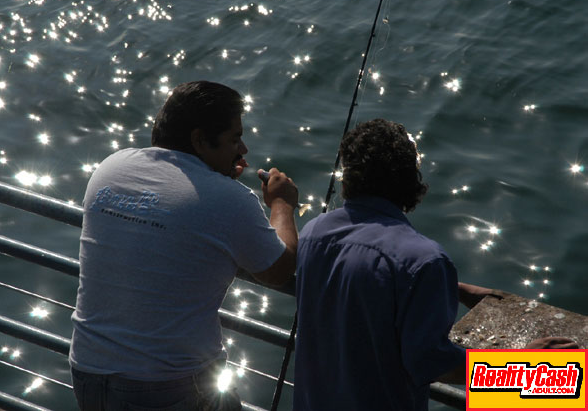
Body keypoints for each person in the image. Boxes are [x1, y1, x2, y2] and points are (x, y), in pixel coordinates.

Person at [293, 118, 577, 411]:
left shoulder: (314, 233)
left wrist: (447, 287)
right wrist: (520, 363)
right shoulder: (424, 259)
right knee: (569, 382)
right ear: (409, 180)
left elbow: (362, 281)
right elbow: (430, 363)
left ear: (347, 178)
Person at [70, 81, 299, 410]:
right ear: (200, 139)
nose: (244, 149)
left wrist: (213, 177)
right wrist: (282, 204)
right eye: (235, 138)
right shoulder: (228, 200)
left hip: (87, 371)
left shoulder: (110, 167)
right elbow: (279, 269)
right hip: (165, 384)